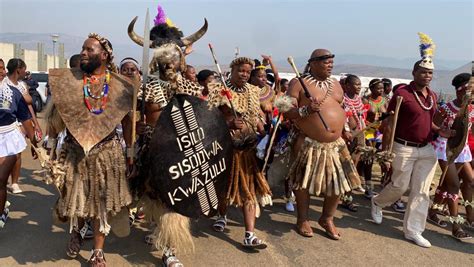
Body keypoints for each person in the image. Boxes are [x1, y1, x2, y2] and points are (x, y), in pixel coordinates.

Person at [45, 33, 136, 265]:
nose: (83, 53)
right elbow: (56, 118)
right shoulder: (69, 82)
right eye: (83, 49)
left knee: (101, 204)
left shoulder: (121, 86)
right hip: (74, 151)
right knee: (75, 200)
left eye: (89, 50)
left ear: (104, 55)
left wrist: (130, 154)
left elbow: (127, 123)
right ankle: (76, 230)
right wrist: (51, 149)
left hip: (107, 153)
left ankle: (97, 250)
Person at [128, 7, 207, 266]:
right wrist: (137, 128)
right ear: (157, 58)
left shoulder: (191, 87)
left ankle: (170, 250)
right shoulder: (146, 87)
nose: (170, 61)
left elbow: (203, 119)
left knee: (176, 199)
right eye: (165, 56)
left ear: (181, 58)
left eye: (175, 55)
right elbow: (129, 114)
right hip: (151, 149)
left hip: (180, 150)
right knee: (152, 195)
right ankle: (157, 229)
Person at [283, 49, 360, 240]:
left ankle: (327, 219)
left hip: (336, 144)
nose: (330, 66)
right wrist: (305, 110)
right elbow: (284, 109)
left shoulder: (335, 85)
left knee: (338, 183)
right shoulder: (297, 83)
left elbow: (343, 109)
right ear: (313, 63)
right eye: (326, 62)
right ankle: (302, 219)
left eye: (332, 63)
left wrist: (346, 130)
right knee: (303, 182)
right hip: (308, 142)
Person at [371, 33, 439, 247]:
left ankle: (413, 231)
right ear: (414, 72)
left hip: (427, 149)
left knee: (421, 191)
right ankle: (377, 202)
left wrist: (445, 132)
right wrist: (386, 149)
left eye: (430, 73)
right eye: (423, 72)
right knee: (399, 185)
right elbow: (389, 123)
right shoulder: (402, 93)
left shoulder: (433, 96)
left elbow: (430, 122)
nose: (427, 76)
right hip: (404, 147)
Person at [208, 57, 272, 248]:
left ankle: (249, 234)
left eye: (247, 72)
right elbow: (208, 118)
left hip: (248, 148)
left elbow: (255, 115)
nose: (244, 75)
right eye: (240, 71)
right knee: (224, 186)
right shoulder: (217, 89)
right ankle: (221, 214)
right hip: (225, 147)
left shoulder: (253, 91)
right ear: (232, 70)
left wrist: (261, 127)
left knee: (249, 189)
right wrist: (228, 123)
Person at [428, 72, 473, 240]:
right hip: (444, 148)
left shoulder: (471, 108)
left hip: (462, 149)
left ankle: (434, 211)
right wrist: (443, 131)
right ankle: (456, 225)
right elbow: (433, 126)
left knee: (469, 181)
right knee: (453, 184)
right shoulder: (446, 108)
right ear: (461, 90)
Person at [0, 61, 37, 228]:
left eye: (2, 68)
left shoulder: (14, 92)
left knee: (0, 179)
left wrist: (35, 143)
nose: (2, 72)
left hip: (8, 138)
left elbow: (25, 118)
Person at [4, 59, 42, 194]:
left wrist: (36, 124)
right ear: (18, 69)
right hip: (9, 124)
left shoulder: (21, 85)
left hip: (19, 123)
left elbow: (28, 106)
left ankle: (14, 182)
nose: (26, 72)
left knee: (17, 153)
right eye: (24, 69)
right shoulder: (5, 85)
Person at [340, 74, 368, 212]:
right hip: (345, 136)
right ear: (347, 86)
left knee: (353, 167)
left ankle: (347, 197)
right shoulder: (341, 99)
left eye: (360, 84)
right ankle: (338, 195)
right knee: (344, 165)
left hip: (358, 135)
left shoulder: (358, 99)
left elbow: (361, 116)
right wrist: (346, 131)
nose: (359, 87)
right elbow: (341, 117)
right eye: (356, 84)